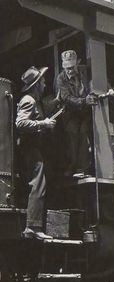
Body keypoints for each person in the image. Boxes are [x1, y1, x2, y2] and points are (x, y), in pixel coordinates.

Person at [16, 66, 56, 240]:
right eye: (43, 81)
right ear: (36, 84)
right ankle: (32, 226)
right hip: (29, 148)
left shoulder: (34, 100)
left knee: (39, 183)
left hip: (33, 147)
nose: (45, 83)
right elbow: (21, 123)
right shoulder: (29, 100)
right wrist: (43, 124)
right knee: (38, 183)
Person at [55, 50, 97, 179]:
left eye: (72, 68)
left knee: (84, 135)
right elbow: (66, 97)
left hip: (85, 113)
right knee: (72, 137)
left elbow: (98, 80)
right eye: (67, 68)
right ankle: (72, 167)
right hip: (70, 114)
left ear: (76, 64)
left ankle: (82, 168)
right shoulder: (60, 78)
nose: (69, 71)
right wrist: (84, 101)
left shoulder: (85, 71)